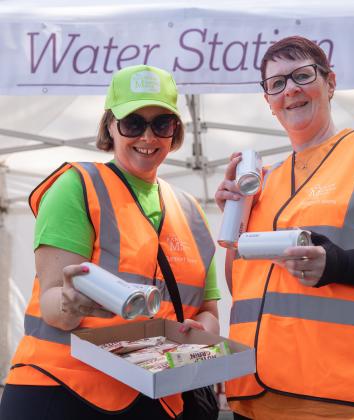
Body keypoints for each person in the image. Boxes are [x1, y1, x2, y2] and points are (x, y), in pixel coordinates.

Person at [215, 36, 354, 419]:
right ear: (269, 102)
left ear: (330, 82)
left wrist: (339, 264)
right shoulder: (263, 182)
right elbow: (243, 288)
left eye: (302, 76)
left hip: (348, 401)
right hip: (255, 398)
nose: (290, 89)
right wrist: (237, 215)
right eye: (276, 83)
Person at [0, 64, 220, 420]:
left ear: (175, 132)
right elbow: (56, 307)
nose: (147, 137)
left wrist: (201, 335)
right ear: (109, 127)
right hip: (63, 390)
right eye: (133, 122)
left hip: (156, 395)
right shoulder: (77, 186)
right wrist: (76, 303)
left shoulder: (191, 211)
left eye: (161, 124)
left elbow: (208, 314)